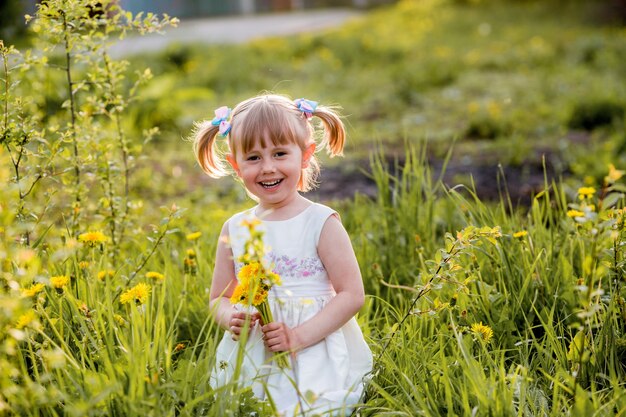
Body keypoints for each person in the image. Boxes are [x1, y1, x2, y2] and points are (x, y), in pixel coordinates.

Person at [192, 93, 373, 416]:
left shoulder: (320, 222)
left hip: (313, 344)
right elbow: (218, 298)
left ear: (305, 155)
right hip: (255, 349)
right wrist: (230, 316)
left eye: (279, 153)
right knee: (246, 406)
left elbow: (351, 294)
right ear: (235, 165)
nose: (268, 168)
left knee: (311, 408)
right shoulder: (235, 227)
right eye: (253, 158)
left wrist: (299, 336)